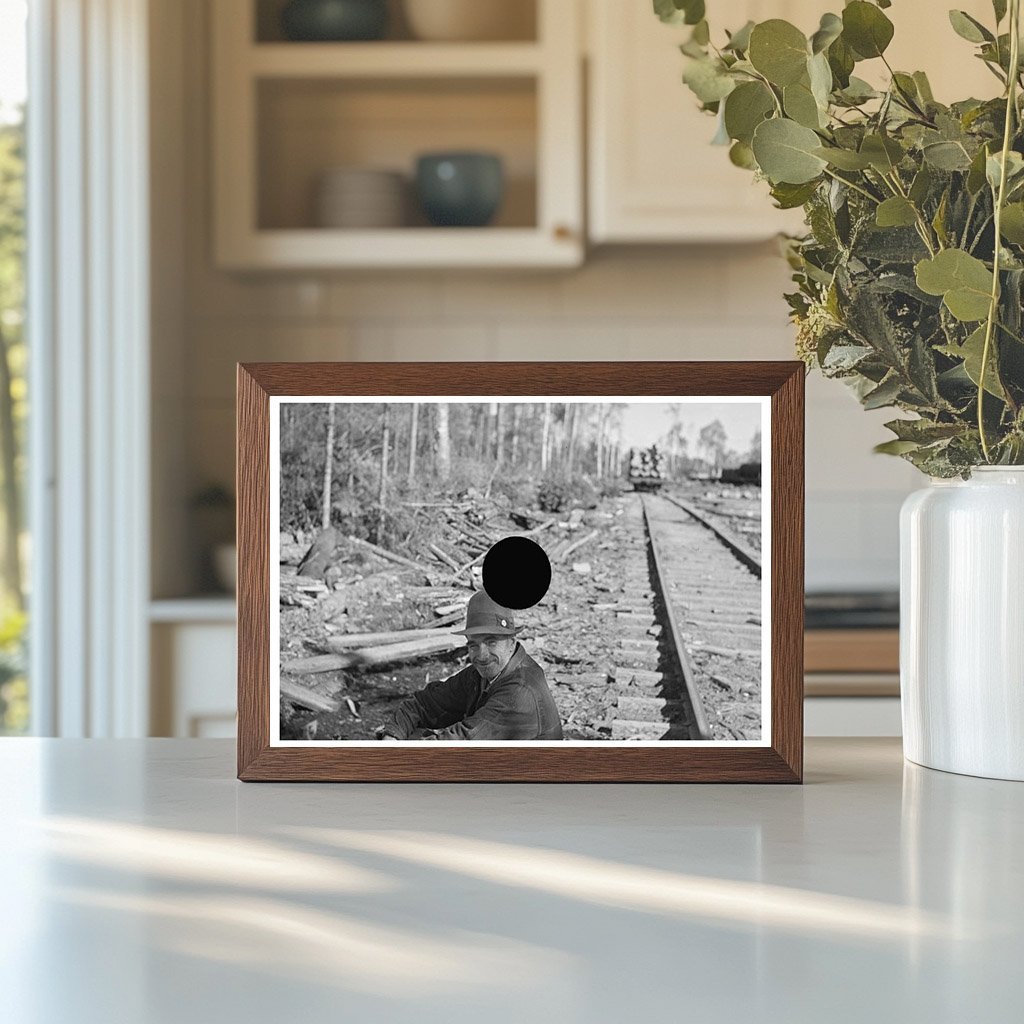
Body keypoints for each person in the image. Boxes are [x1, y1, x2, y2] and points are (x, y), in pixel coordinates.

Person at [376, 591, 563, 741]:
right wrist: (392, 735)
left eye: (491, 643)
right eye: (474, 645)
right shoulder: (480, 676)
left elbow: (459, 743)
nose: (481, 656)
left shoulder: (519, 692)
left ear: (511, 642)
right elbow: (425, 703)